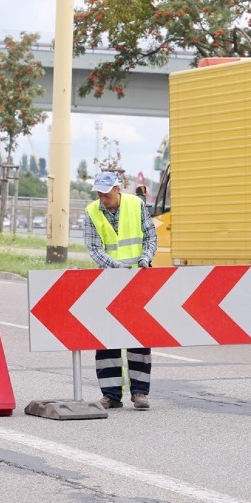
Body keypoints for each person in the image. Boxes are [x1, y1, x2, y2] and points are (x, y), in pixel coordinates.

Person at [84, 171, 157, 410]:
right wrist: (118, 266)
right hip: (108, 280)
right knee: (107, 339)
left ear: (118, 189)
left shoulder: (136, 205)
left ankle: (139, 393)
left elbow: (150, 237)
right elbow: (94, 248)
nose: (102, 198)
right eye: (99, 193)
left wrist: (145, 259)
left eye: (106, 193)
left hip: (137, 280)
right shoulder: (92, 211)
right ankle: (111, 395)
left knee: (139, 337)